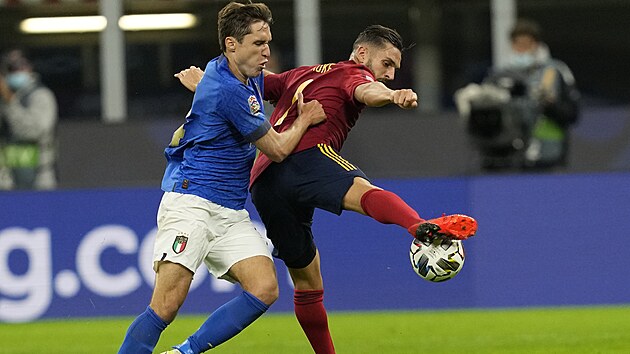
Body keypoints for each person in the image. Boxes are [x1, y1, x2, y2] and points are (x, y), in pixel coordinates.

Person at [179, 24, 477, 354]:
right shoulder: (354, 73)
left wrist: (205, 84)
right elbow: (367, 91)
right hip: (307, 158)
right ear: (363, 53)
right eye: (387, 64)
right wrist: (392, 96)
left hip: (264, 183)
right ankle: (418, 226)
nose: (390, 75)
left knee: (307, 282)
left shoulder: (301, 75)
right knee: (363, 191)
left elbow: (248, 83)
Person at [117, 2, 326, 354]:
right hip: (192, 203)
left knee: (264, 287)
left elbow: (224, 98)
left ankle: (185, 352)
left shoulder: (243, 74)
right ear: (231, 44)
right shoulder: (227, 88)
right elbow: (274, 149)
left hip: (229, 211)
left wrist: (202, 88)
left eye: (268, 41)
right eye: (258, 43)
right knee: (166, 306)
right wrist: (304, 119)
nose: (267, 51)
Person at [456, 19, 580, 169]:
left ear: (536, 44)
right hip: (503, 156)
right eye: (518, 44)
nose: (522, 49)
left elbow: (573, 113)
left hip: (547, 156)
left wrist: (550, 104)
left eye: (526, 44)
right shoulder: (499, 75)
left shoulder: (554, 72)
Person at [0, 49, 58, 190]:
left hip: (38, 180)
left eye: (21, 65)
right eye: (11, 67)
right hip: (7, 180)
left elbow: (34, 131)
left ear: (30, 67)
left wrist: (10, 102)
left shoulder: (41, 96)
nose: (17, 70)